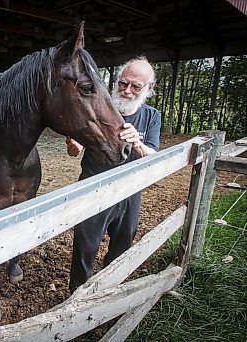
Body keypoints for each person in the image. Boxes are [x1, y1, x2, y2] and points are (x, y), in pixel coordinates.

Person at [66, 56, 161, 293]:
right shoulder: (99, 107)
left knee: (122, 245)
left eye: (135, 86)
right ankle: (76, 297)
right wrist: (73, 147)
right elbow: (74, 149)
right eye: (122, 83)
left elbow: (154, 158)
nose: (127, 90)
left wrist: (137, 142)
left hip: (130, 192)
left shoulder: (151, 116)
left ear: (149, 88)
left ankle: (110, 290)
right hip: (93, 188)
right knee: (85, 247)